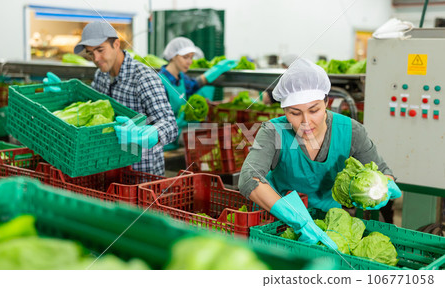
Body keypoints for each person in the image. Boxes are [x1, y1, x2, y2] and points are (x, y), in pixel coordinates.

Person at [238, 58, 402, 250]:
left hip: (329, 225)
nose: (306, 121)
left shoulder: (351, 131)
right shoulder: (273, 131)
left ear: (326, 102)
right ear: (284, 110)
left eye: (314, 110)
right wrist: (297, 220)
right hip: (277, 223)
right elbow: (249, 178)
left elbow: (383, 171)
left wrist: (382, 187)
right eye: (295, 113)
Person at [67, 21, 177, 176]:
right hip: (110, 169)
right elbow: (90, 109)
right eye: (90, 53)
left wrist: (149, 133)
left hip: (142, 175)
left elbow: (171, 125)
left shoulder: (143, 77)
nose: (96, 58)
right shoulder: (101, 75)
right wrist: (65, 96)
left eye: (100, 50)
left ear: (116, 44)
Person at [158, 37, 237, 149]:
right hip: (164, 143)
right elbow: (156, 122)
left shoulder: (182, 78)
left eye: (191, 58)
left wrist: (217, 70)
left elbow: (196, 84)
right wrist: (179, 121)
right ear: (173, 56)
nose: (189, 62)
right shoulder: (159, 83)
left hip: (179, 134)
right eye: (185, 57)